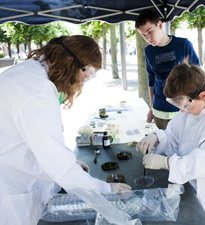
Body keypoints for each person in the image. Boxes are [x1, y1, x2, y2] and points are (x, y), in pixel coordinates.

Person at [0, 35, 131, 225]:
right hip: (14, 190)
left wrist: (68, 161)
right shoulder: (37, 91)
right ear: (70, 60)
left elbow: (38, 140)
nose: (83, 82)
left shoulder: (30, 73)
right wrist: (106, 190)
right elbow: (60, 167)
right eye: (86, 74)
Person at [136, 60, 205, 225]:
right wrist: (156, 137)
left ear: (203, 96)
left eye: (185, 106)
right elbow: (173, 136)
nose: (182, 111)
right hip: (189, 186)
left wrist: (166, 162)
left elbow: (203, 163)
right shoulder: (191, 109)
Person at [135, 9, 199, 130]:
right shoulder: (148, 51)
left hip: (183, 109)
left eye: (149, 31)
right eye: (143, 35)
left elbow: (198, 76)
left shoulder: (183, 44)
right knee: (163, 146)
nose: (148, 38)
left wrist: (196, 105)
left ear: (159, 25)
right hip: (159, 110)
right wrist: (151, 106)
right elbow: (151, 78)